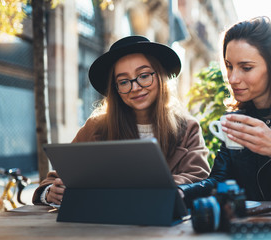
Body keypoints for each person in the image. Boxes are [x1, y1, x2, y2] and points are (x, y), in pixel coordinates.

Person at [33, 36, 211, 206]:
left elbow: (199, 178)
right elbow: (54, 179)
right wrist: (50, 192)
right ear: (115, 89)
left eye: (144, 75)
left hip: (165, 225)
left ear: (160, 76)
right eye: (124, 81)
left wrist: (142, 186)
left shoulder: (187, 127)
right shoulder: (96, 127)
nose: (135, 87)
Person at [178, 16, 271, 206]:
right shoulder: (236, 119)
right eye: (229, 66)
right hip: (251, 230)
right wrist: (180, 192)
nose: (232, 78)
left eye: (246, 67)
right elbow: (218, 181)